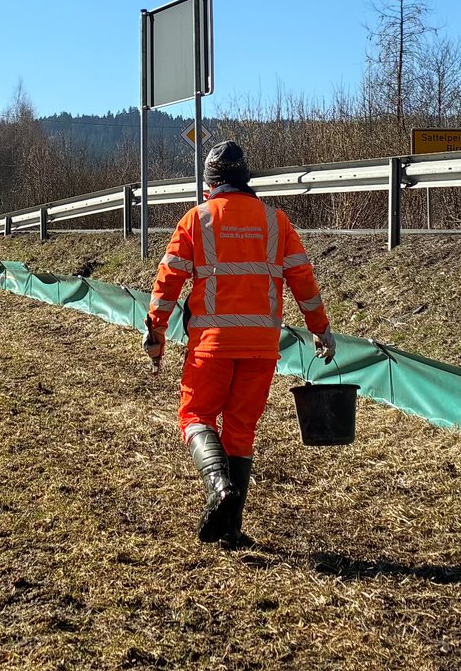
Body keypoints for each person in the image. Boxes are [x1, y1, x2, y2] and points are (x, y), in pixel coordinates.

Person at [144, 140, 336, 545]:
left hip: (211, 344)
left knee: (195, 417)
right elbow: (303, 279)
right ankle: (231, 529)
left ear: (210, 185)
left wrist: (156, 329)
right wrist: (320, 327)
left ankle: (218, 488)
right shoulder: (275, 221)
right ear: (246, 179)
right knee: (241, 429)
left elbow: (168, 281)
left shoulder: (197, 219)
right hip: (263, 346)